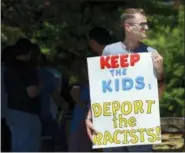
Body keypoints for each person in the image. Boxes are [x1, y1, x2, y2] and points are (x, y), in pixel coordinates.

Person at [85, 8, 165, 152]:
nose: (146, 28)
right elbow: (100, 89)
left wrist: (160, 73)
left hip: (140, 126)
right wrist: (89, 117)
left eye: (146, 24)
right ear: (128, 27)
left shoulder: (151, 54)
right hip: (113, 125)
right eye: (142, 24)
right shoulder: (110, 51)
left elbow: (158, 97)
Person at [4, 38, 41, 152]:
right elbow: (32, 92)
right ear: (29, 52)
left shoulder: (9, 69)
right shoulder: (27, 69)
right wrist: (41, 87)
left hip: (12, 111)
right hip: (26, 113)